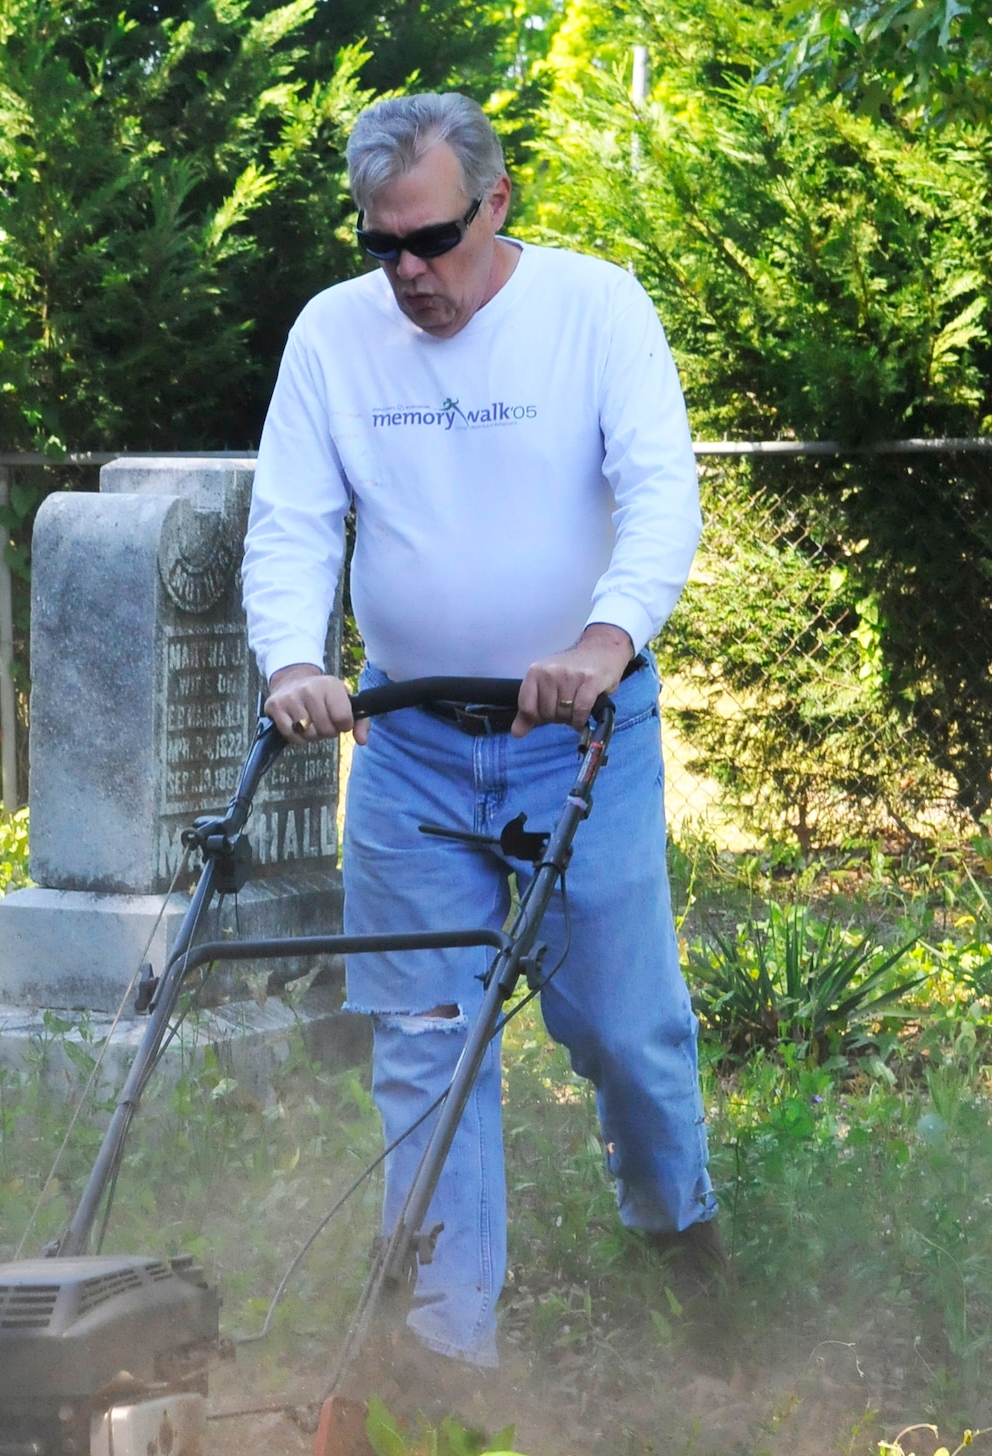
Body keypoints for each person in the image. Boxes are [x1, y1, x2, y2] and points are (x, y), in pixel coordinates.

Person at [241, 92, 725, 1387]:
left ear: (494, 204)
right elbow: (293, 519)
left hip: (577, 740)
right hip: (405, 746)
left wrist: (603, 642)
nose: (407, 272)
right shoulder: (334, 338)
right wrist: (295, 661)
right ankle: (445, 1357)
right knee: (420, 1042)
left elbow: (659, 491)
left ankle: (678, 1239)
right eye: (380, 244)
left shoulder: (592, 310)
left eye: (433, 239)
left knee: (623, 1032)